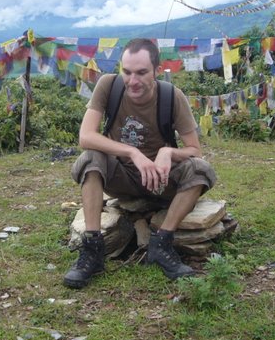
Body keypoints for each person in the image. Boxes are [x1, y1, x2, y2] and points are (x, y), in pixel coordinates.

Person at [64, 38, 217, 289]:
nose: (133, 81)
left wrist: (167, 152)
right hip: (120, 175)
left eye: (142, 73)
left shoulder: (172, 97)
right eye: (127, 72)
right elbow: (86, 136)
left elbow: (195, 150)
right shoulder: (108, 86)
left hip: (160, 180)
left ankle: (162, 242)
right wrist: (133, 153)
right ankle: (92, 247)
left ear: (157, 71)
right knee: (91, 157)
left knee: (201, 169)